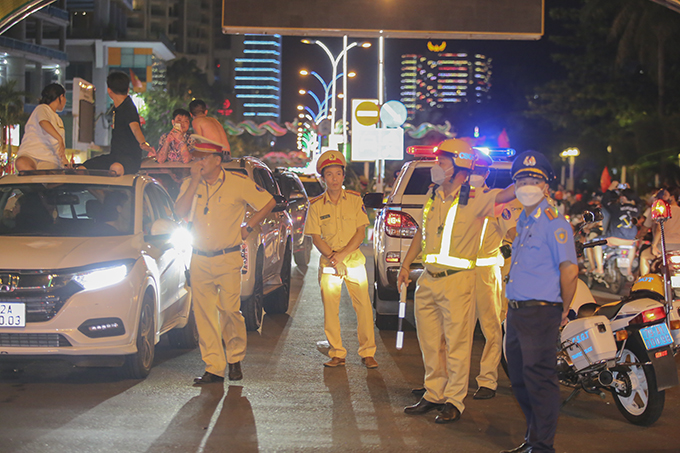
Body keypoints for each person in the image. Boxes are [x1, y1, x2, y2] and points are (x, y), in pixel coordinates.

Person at [397, 139, 516, 424]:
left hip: (458, 281)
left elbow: (506, 196)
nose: (437, 166)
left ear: (460, 164)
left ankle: (454, 401)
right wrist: (405, 264)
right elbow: (421, 234)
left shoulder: (477, 197)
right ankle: (433, 392)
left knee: (457, 344)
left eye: (443, 161)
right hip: (428, 279)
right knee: (428, 342)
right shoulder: (433, 195)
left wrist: (530, 178)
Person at [174, 139, 275, 384]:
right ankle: (214, 367)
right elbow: (178, 212)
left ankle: (235, 357)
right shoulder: (190, 184)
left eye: (204, 157)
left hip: (228, 257)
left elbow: (268, 202)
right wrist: (195, 181)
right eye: (196, 157)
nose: (199, 162)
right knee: (205, 315)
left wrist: (248, 227)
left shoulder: (237, 184)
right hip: (199, 258)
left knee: (230, 310)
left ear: (217, 160)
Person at [501, 150, 579, 453]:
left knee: (540, 380)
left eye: (534, 179)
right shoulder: (524, 220)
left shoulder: (554, 222)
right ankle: (533, 439)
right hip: (517, 313)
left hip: (540, 312)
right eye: (521, 179)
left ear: (546, 187)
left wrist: (561, 309)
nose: (527, 184)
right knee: (519, 380)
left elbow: (569, 271)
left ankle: (543, 446)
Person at [304, 150, 378, 369]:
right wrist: (335, 260)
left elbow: (360, 233)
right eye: (329, 174)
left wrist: (343, 257)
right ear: (323, 178)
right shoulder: (316, 205)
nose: (334, 179)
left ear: (343, 176)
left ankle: (368, 352)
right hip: (329, 263)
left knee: (363, 307)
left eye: (338, 173)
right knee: (330, 308)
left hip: (353, 260)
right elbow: (316, 238)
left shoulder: (355, 201)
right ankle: (337, 352)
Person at [82, 71, 154, 175]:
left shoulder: (128, 107)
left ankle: (115, 191)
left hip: (129, 159)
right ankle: (102, 191)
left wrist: (143, 143)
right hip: (114, 156)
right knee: (82, 168)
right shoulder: (116, 109)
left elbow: (135, 128)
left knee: (115, 168)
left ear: (109, 90)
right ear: (128, 89)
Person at [591, 181, 641, 277]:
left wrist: (610, 188)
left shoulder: (616, 207)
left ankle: (600, 269)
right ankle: (629, 270)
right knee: (633, 246)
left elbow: (605, 201)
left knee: (595, 242)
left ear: (622, 198)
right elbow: (639, 201)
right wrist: (630, 191)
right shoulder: (637, 209)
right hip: (630, 241)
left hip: (614, 239)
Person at [15, 83, 69, 171]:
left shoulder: (59, 120)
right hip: (30, 154)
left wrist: (64, 160)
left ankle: (37, 181)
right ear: (61, 97)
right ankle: (37, 181)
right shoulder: (42, 108)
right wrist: (59, 139)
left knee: (46, 174)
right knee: (21, 163)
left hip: (50, 159)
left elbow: (60, 147)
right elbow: (43, 122)